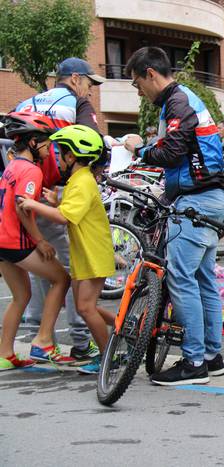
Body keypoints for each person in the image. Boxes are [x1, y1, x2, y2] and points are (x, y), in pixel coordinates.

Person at [123, 46, 224, 385]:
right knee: (204, 280)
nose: (139, 91)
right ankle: (212, 357)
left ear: (150, 74)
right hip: (210, 200)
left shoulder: (177, 102)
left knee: (181, 279)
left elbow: (170, 152)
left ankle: (194, 363)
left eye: (137, 83)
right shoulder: (186, 99)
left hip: (195, 203)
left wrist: (138, 149)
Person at [14, 57, 107, 363]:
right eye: (89, 83)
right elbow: (94, 141)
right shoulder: (76, 104)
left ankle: (44, 338)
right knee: (68, 270)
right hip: (57, 191)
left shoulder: (30, 100)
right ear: (76, 78)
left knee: (46, 265)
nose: (90, 91)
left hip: (29, 188)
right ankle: (82, 341)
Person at [18, 125, 116, 375]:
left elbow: (63, 217)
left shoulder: (83, 181)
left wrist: (33, 204)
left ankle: (108, 357)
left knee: (85, 307)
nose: (57, 159)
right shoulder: (78, 180)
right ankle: (126, 327)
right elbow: (73, 209)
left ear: (72, 156)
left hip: (93, 254)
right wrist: (57, 201)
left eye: (61, 154)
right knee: (87, 305)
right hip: (84, 254)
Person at [0, 112, 71, 370]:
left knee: (22, 295)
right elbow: (23, 208)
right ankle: (43, 342)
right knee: (62, 279)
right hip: (16, 241)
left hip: (2, 240)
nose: (49, 149)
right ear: (32, 143)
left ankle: (5, 353)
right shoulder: (31, 170)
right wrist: (40, 240)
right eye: (44, 143)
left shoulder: (11, 167)